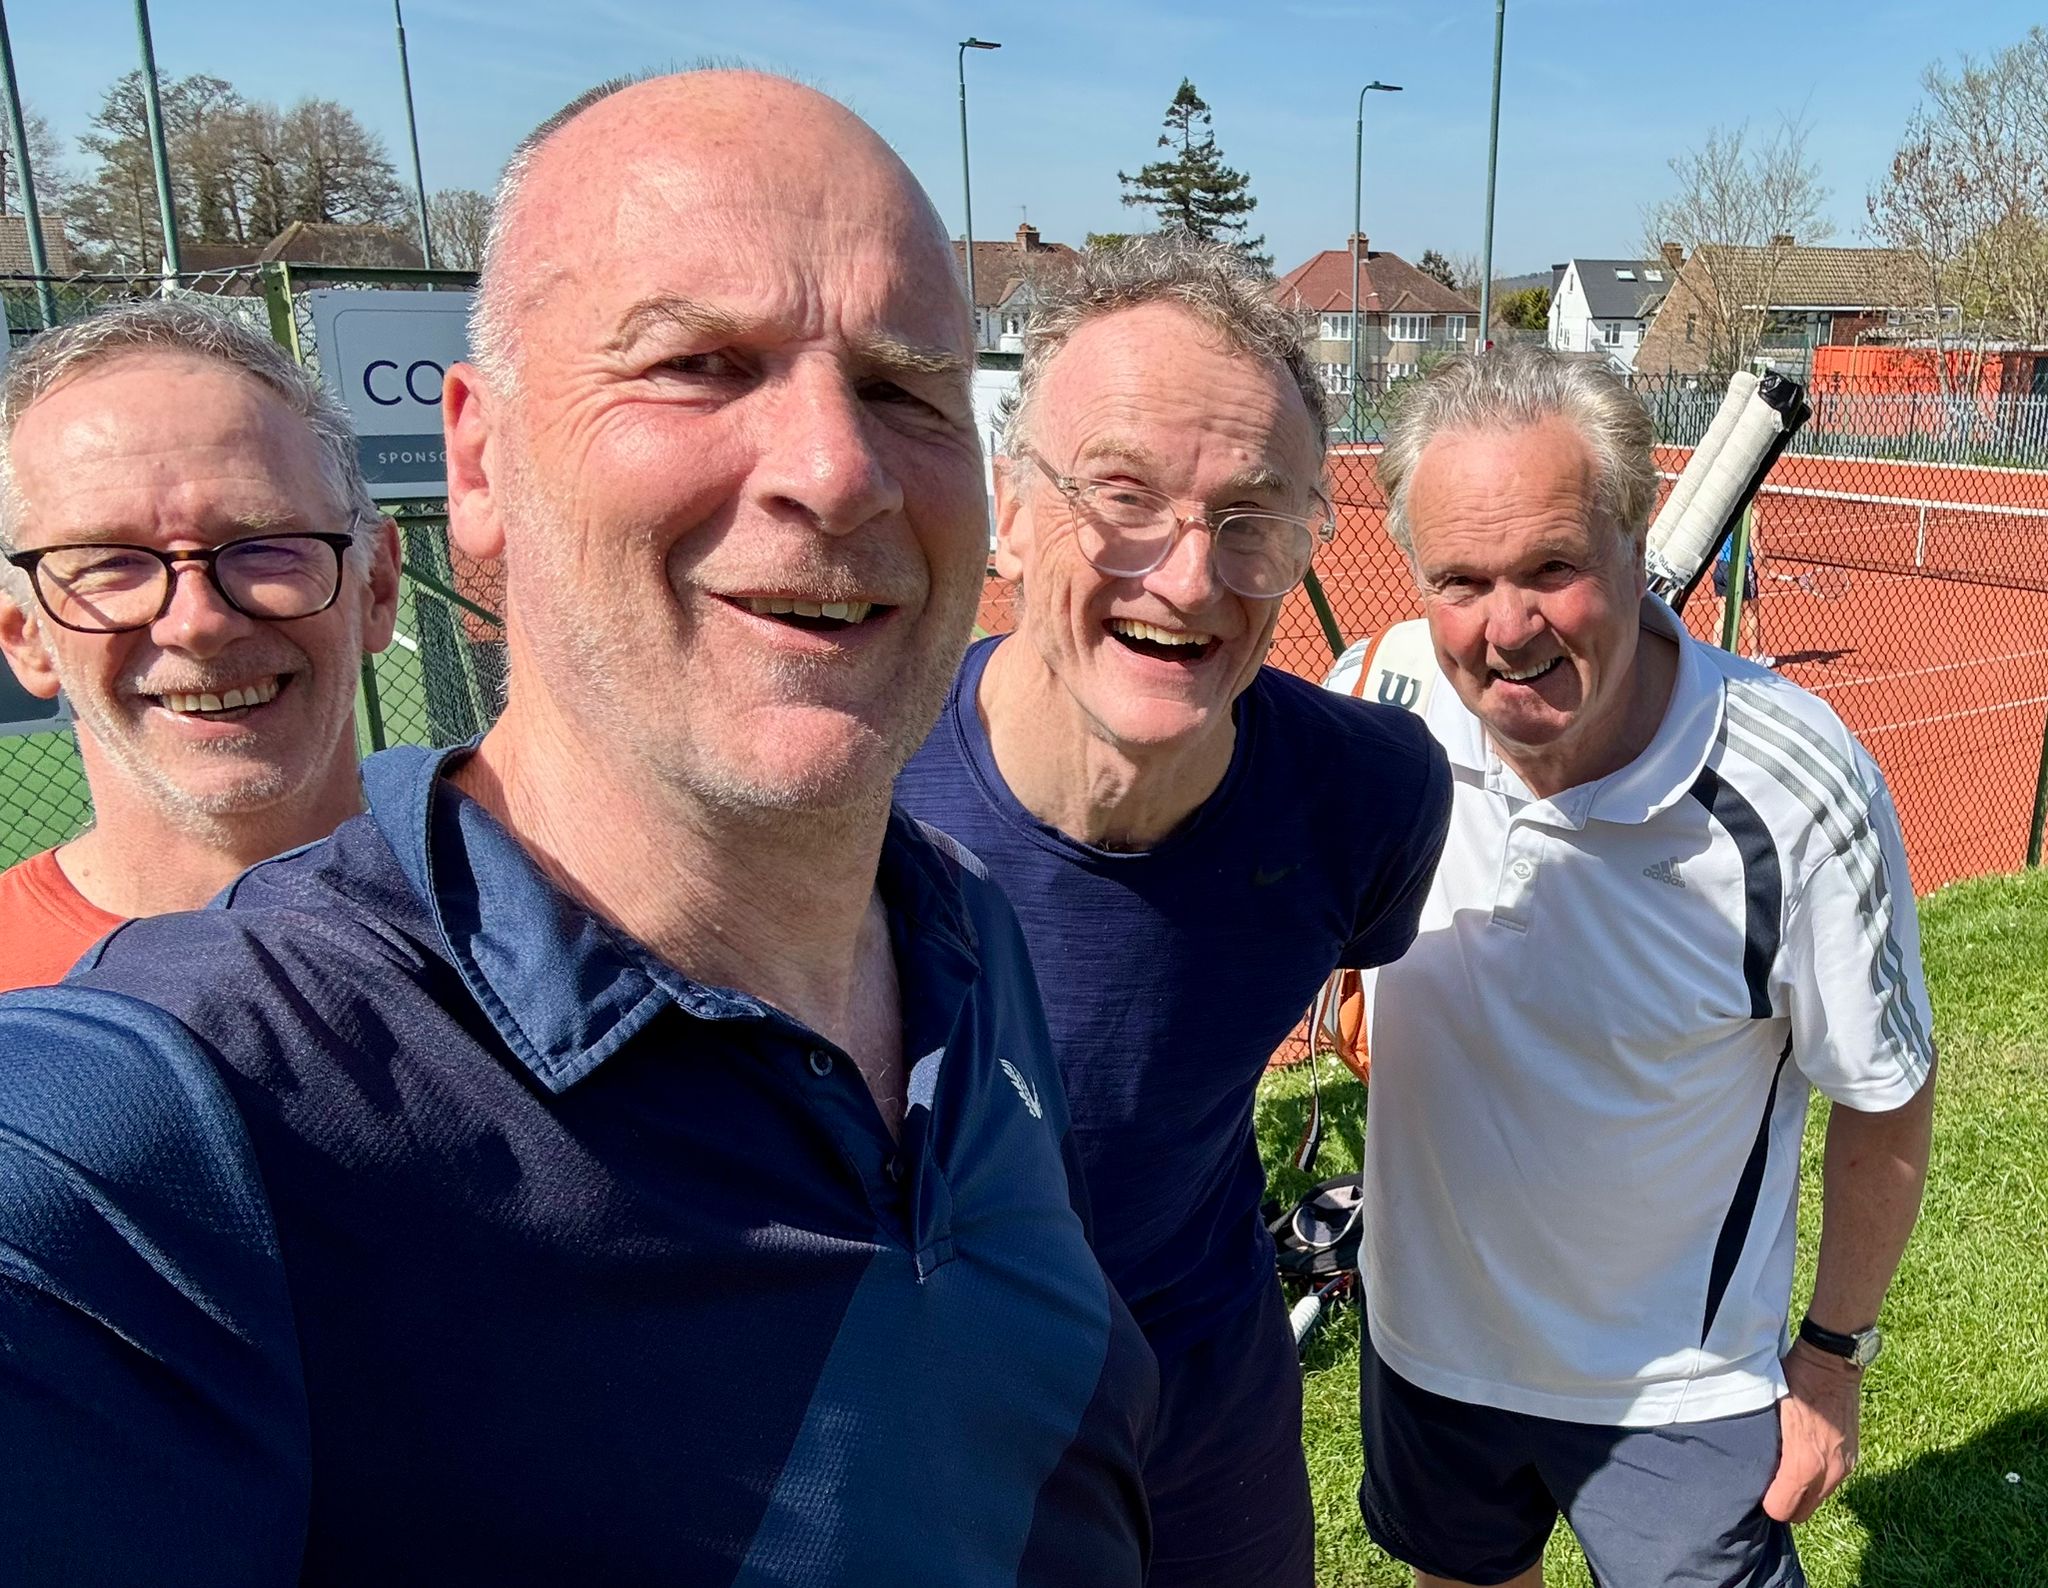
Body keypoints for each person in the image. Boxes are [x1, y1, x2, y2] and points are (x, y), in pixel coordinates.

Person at [0, 72, 1156, 1585]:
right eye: (696, 364)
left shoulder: (956, 924)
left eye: (902, 385)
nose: (838, 468)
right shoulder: (173, 1123)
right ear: (479, 460)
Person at [896, 235, 1452, 1587]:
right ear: (1010, 513)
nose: (1191, 578)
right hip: (918, 1427)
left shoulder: (1369, 796)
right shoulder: (850, 790)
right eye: (1123, 496)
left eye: (1252, 517)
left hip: (1207, 1422)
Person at [1352, 345, 1936, 1588]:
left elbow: (1884, 1092)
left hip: (1681, 1385)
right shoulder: (1372, 699)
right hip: (1424, 1349)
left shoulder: (1795, 786)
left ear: (1635, 539)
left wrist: (1831, 1355)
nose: (1505, 628)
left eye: (1549, 568)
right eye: (1460, 580)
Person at [0, 302, 401, 991]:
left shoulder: (557, 928)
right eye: (110, 562)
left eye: (266, 546)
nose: (197, 623)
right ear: (25, 635)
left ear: (377, 588)